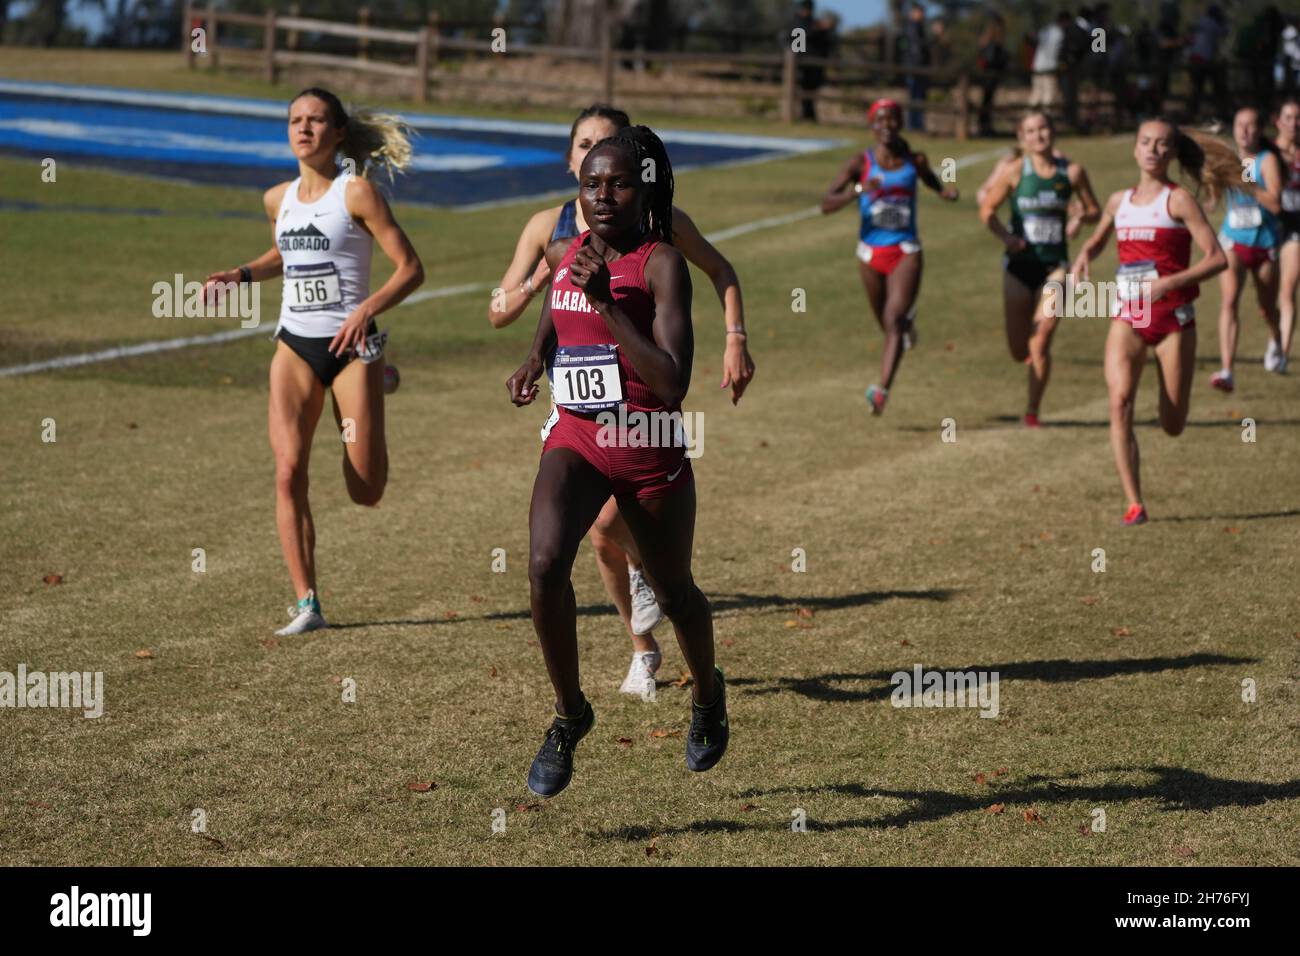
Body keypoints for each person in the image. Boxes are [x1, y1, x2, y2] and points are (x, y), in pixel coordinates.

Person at [489, 104, 754, 695]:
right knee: (544, 565)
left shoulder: (662, 264)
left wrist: (608, 303)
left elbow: (671, 384)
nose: (603, 195)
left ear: (642, 188)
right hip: (578, 434)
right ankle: (568, 713)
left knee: (676, 594)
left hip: (645, 440)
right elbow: (559, 307)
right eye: (592, 183)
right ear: (576, 185)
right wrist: (535, 357)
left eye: (619, 184)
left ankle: (708, 697)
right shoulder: (565, 254)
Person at [203, 88, 424, 634]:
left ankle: (378, 381)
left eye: (316, 120)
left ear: (338, 132)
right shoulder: (276, 199)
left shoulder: (359, 195)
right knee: (287, 471)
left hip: (352, 349)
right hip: (295, 346)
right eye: (295, 120)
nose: (303, 129)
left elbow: (410, 268)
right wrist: (243, 274)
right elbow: (289, 247)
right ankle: (308, 604)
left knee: (365, 491)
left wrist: (366, 309)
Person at [1071, 118, 1233, 525]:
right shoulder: (1117, 201)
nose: (1152, 150)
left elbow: (1217, 259)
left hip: (1174, 318)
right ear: (1135, 148)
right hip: (1129, 314)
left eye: (1162, 145)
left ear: (1172, 153)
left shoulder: (1178, 202)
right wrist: (1085, 255)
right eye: (1145, 142)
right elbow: (1101, 236)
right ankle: (1135, 502)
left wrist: (1170, 283)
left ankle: (1169, 422)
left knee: (1173, 423)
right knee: (1119, 401)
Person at [820, 98, 959, 415]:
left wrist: (942, 192)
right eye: (880, 120)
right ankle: (905, 328)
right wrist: (859, 190)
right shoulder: (860, 163)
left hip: (906, 250)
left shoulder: (915, 159)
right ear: (872, 126)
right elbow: (825, 203)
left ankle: (881, 390)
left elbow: (928, 177)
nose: (886, 125)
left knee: (893, 319)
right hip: (870, 253)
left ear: (900, 123)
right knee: (885, 321)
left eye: (892, 119)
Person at [980, 111, 1101, 426]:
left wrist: (1080, 215)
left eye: (1044, 128)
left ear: (1053, 131)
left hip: (1055, 267)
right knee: (1019, 349)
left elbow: (1094, 210)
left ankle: (1032, 411)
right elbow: (987, 210)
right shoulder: (1015, 172)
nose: (1038, 135)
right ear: (1023, 138)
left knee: (1042, 337)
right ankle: (1027, 363)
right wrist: (1007, 237)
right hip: (1018, 267)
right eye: (1031, 131)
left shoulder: (1072, 173)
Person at [1209, 106, 1283, 393]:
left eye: (1251, 125)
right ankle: (1227, 370)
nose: (1244, 131)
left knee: (1267, 307)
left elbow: (1276, 204)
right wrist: (1211, 198)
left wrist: (1247, 183)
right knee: (1229, 301)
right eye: (1240, 125)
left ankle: (1276, 338)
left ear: (1260, 130)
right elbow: (1215, 192)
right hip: (1233, 241)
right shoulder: (1228, 159)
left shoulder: (1267, 162)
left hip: (1264, 244)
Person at [1273, 97, 1300, 373]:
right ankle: (1274, 337)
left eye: (1298, 117)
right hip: (1267, 228)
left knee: (1287, 289)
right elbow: (1247, 182)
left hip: (1295, 229)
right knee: (1268, 298)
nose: (1294, 123)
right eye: (1288, 117)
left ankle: (1283, 353)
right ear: (1278, 121)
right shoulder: (1268, 153)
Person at [975, 14, 1009, 137]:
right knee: (987, 102)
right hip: (990, 76)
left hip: (987, 76)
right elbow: (991, 60)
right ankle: (985, 127)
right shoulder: (994, 43)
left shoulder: (986, 41)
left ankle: (985, 125)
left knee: (986, 102)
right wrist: (1004, 59)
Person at [900, 3, 931, 132]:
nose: (921, 15)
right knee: (914, 96)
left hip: (916, 67)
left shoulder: (918, 27)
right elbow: (915, 48)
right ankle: (913, 125)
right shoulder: (912, 27)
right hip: (914, 68)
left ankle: (917, 124)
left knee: (919, 96)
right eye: (919, 12)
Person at [1030, 12, 1068, 112]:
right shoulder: (1060, 33)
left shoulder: (1045, 30)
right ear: (1064, 21)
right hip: (1049, 67)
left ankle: (1029, 117)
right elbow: (1059, 52)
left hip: (1038, 66)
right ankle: (1045, 118)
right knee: (1048, 95)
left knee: (1036, 94)